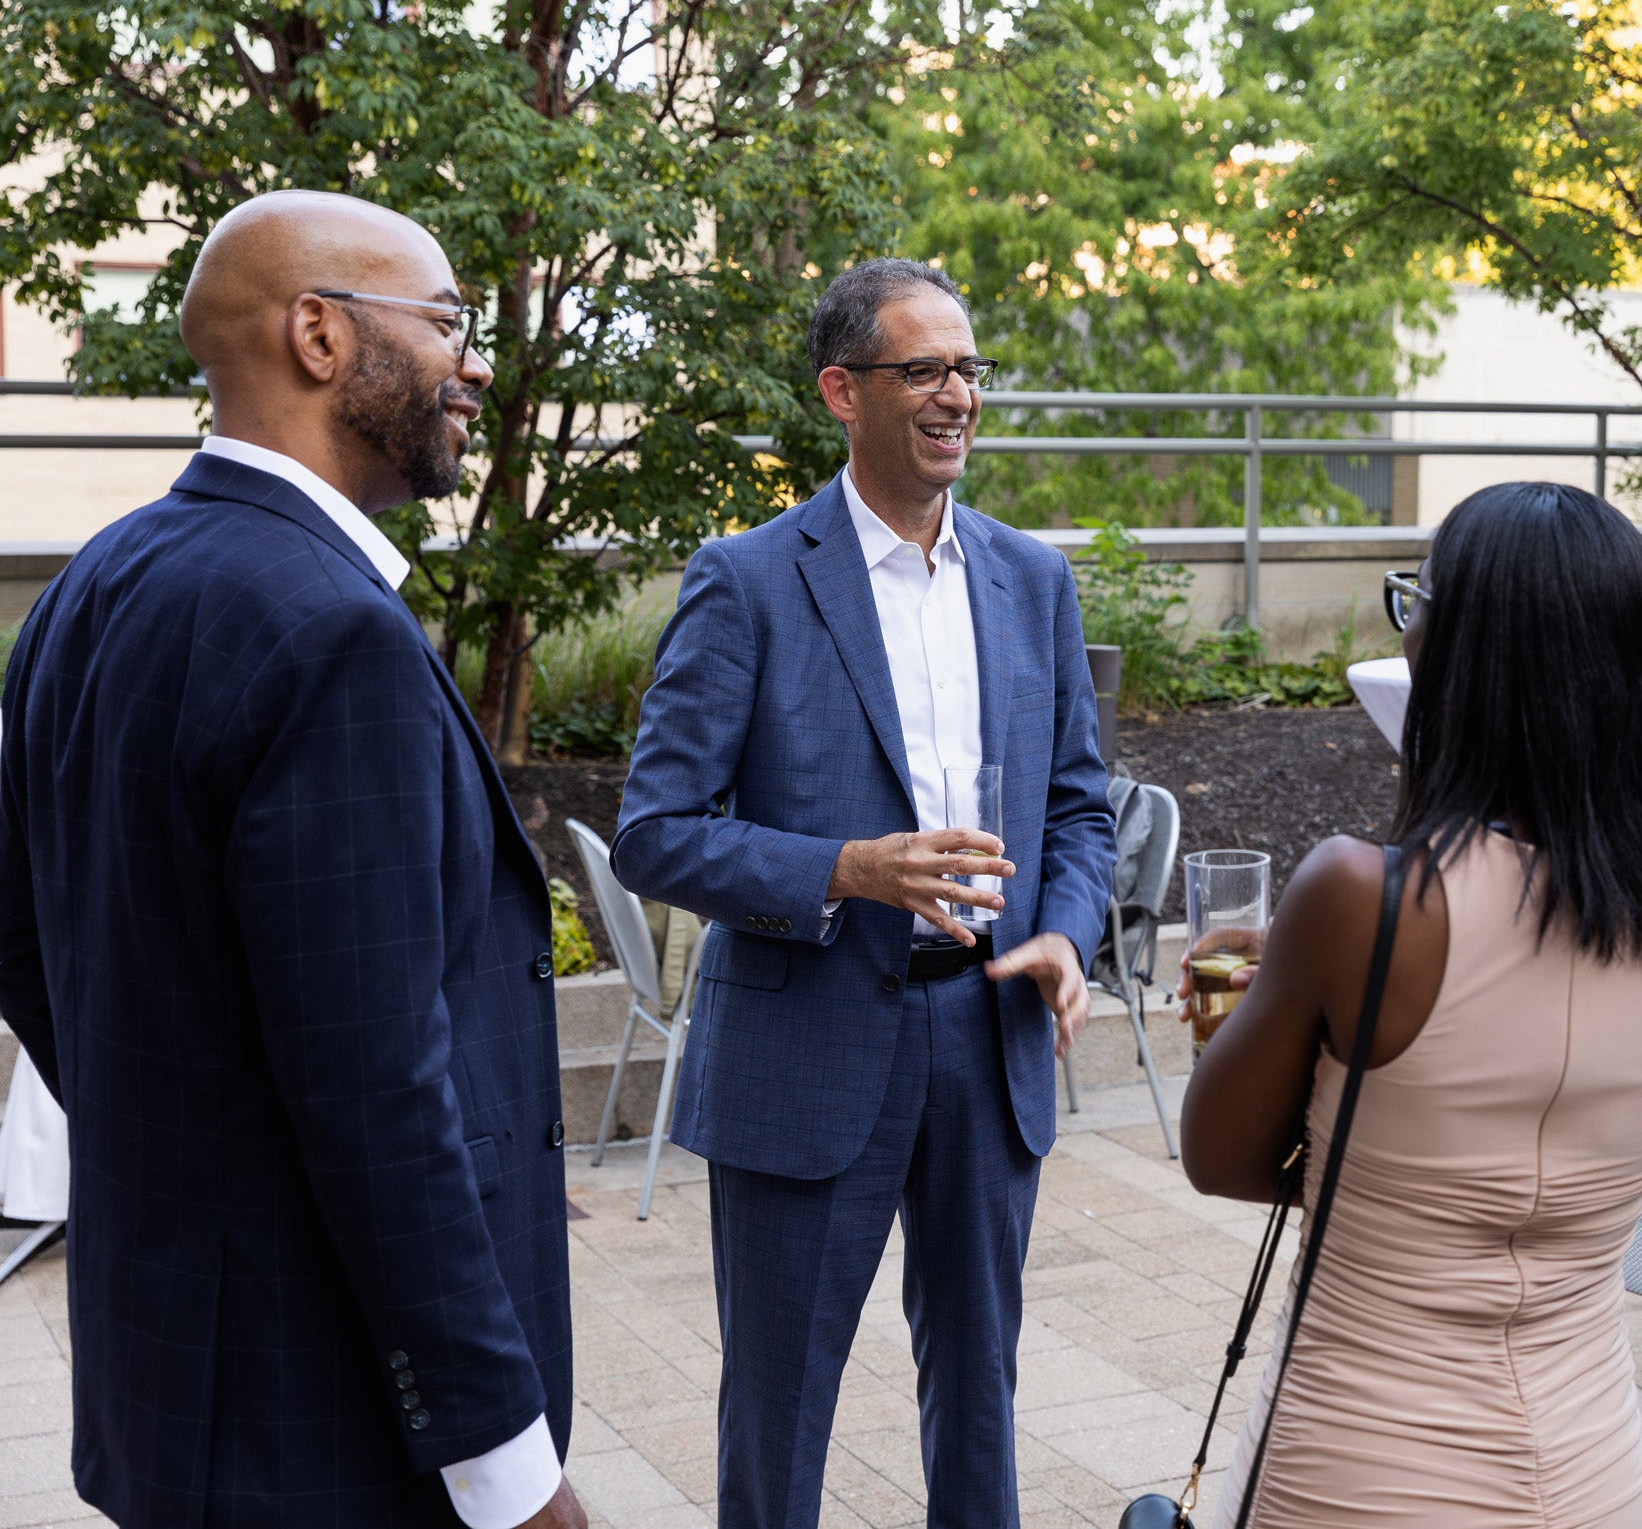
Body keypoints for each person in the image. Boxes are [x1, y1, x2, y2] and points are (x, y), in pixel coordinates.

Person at [0, 192, 582, 1527]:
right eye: (447, 322)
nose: (473, 366)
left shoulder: (90, 586)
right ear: (319, 335)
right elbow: (379, 1091)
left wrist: (182, 1139)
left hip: (174, 1393)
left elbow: (20, 935)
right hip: (321, 1420)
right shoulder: (332, 631)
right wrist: (506, 1463)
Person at [612, 257, 1112, 1529]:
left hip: (988, 1035)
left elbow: (1076, 808)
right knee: (778, 1415)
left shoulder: (1032, 578)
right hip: (807, 1047)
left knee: (982, 1398)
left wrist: (1065, 933)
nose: (958, 394)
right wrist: (843, 868)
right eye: (924, 369)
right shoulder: (747, 578)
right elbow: (655, 834)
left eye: (969, 368)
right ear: (843, 391)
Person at [1177, 481, 1642, 1529]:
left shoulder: (1357, 896)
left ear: (1459, 655)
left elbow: (1221, 1158)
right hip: (1591, 1474)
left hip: (1352, 1468)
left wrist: (1268, 1015)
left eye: (1419, 604)